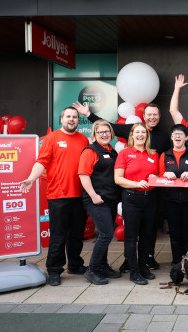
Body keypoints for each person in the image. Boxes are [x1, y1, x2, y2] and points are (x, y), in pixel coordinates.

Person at [73, 100, 169, 271]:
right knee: (121, 233)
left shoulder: (161, 140)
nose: (152, 117)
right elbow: (108, 127)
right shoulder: (122, 144)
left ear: (159, 117)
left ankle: (146, 259)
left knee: (149, 230)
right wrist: (88, 114)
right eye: (149, 114)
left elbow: (166, 160)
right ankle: (124, 264)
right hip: (125, 194)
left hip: (148, 193)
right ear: (143, 117)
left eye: (155, 114)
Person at [20, 107, 89, 286]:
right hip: (58, 196)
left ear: (78, 121)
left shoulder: (83, 139)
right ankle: (54, 270)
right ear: (61, 119)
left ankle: (75, 264)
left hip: (79, 195)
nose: (71, 119)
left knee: (76, 234)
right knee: (58, 236)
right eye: (68, 116)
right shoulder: (52, 138)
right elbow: (41, 162)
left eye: (75, 117)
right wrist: (31, 179)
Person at [114, 123, 159, 285]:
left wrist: (156, 176)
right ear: (132, 135)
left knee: (147, 236)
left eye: (143, 132)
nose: (140, 135)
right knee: (131, 237)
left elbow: (159, 177)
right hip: (132, 198)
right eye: (137, 132)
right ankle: (134, 271)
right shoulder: (125, 153)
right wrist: (136, 184)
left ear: (147, 136)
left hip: (150, 199)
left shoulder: (154, 154)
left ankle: (143, 267)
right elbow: (118, 179)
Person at [78, 120, 122, 285]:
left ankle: (103, 266)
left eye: (107, 131)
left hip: (110, 199)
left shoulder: (112, 151)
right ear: (94, 135)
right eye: (100, 132)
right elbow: (83, 175)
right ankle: (92, 269)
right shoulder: (90, 151)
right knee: (106, 233)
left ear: (111, 133)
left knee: (106, 234)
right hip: (96, 200)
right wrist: (93, 195)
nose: (104, 134)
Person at [159, 124, 188, 265]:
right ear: (172, 137)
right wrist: (166, 174)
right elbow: (159, 176)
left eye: (181, 134)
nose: (177, 136)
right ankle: (176, 262)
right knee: (174, 234)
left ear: (186, 137)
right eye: (175, 134)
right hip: (171, 201)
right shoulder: (165, 155)